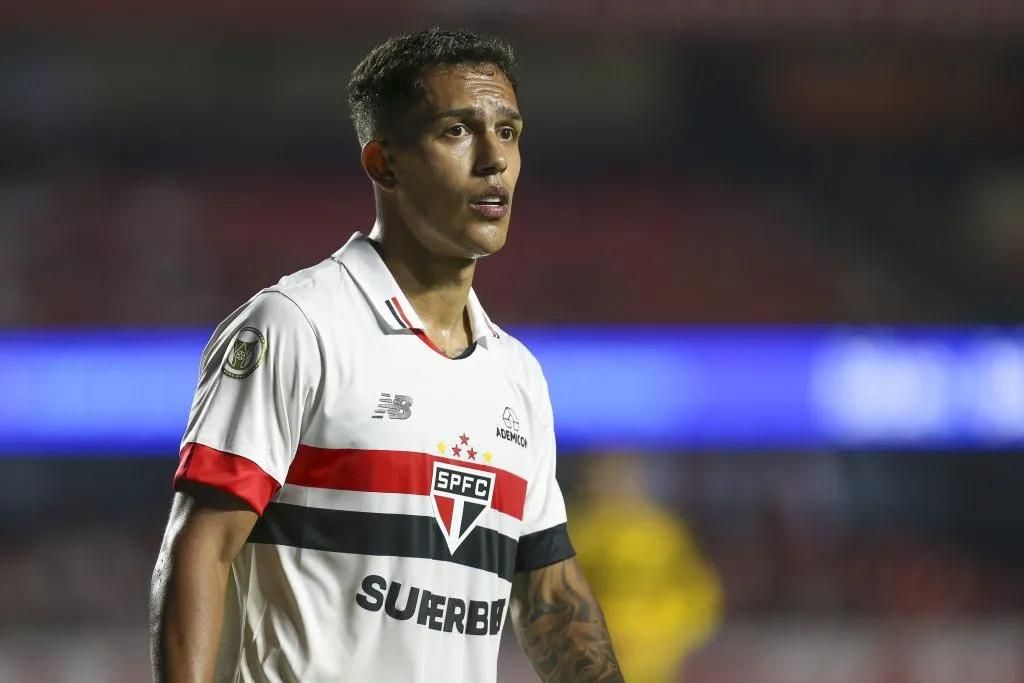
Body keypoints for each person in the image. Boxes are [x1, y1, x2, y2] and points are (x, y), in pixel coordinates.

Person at [149, 28, 625, 683]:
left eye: (508, 132)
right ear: (383, 163)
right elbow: (198, 550)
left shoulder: (515, 377)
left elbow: (550, 599)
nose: (493, 159)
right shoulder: (298, 326)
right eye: (457, 130)